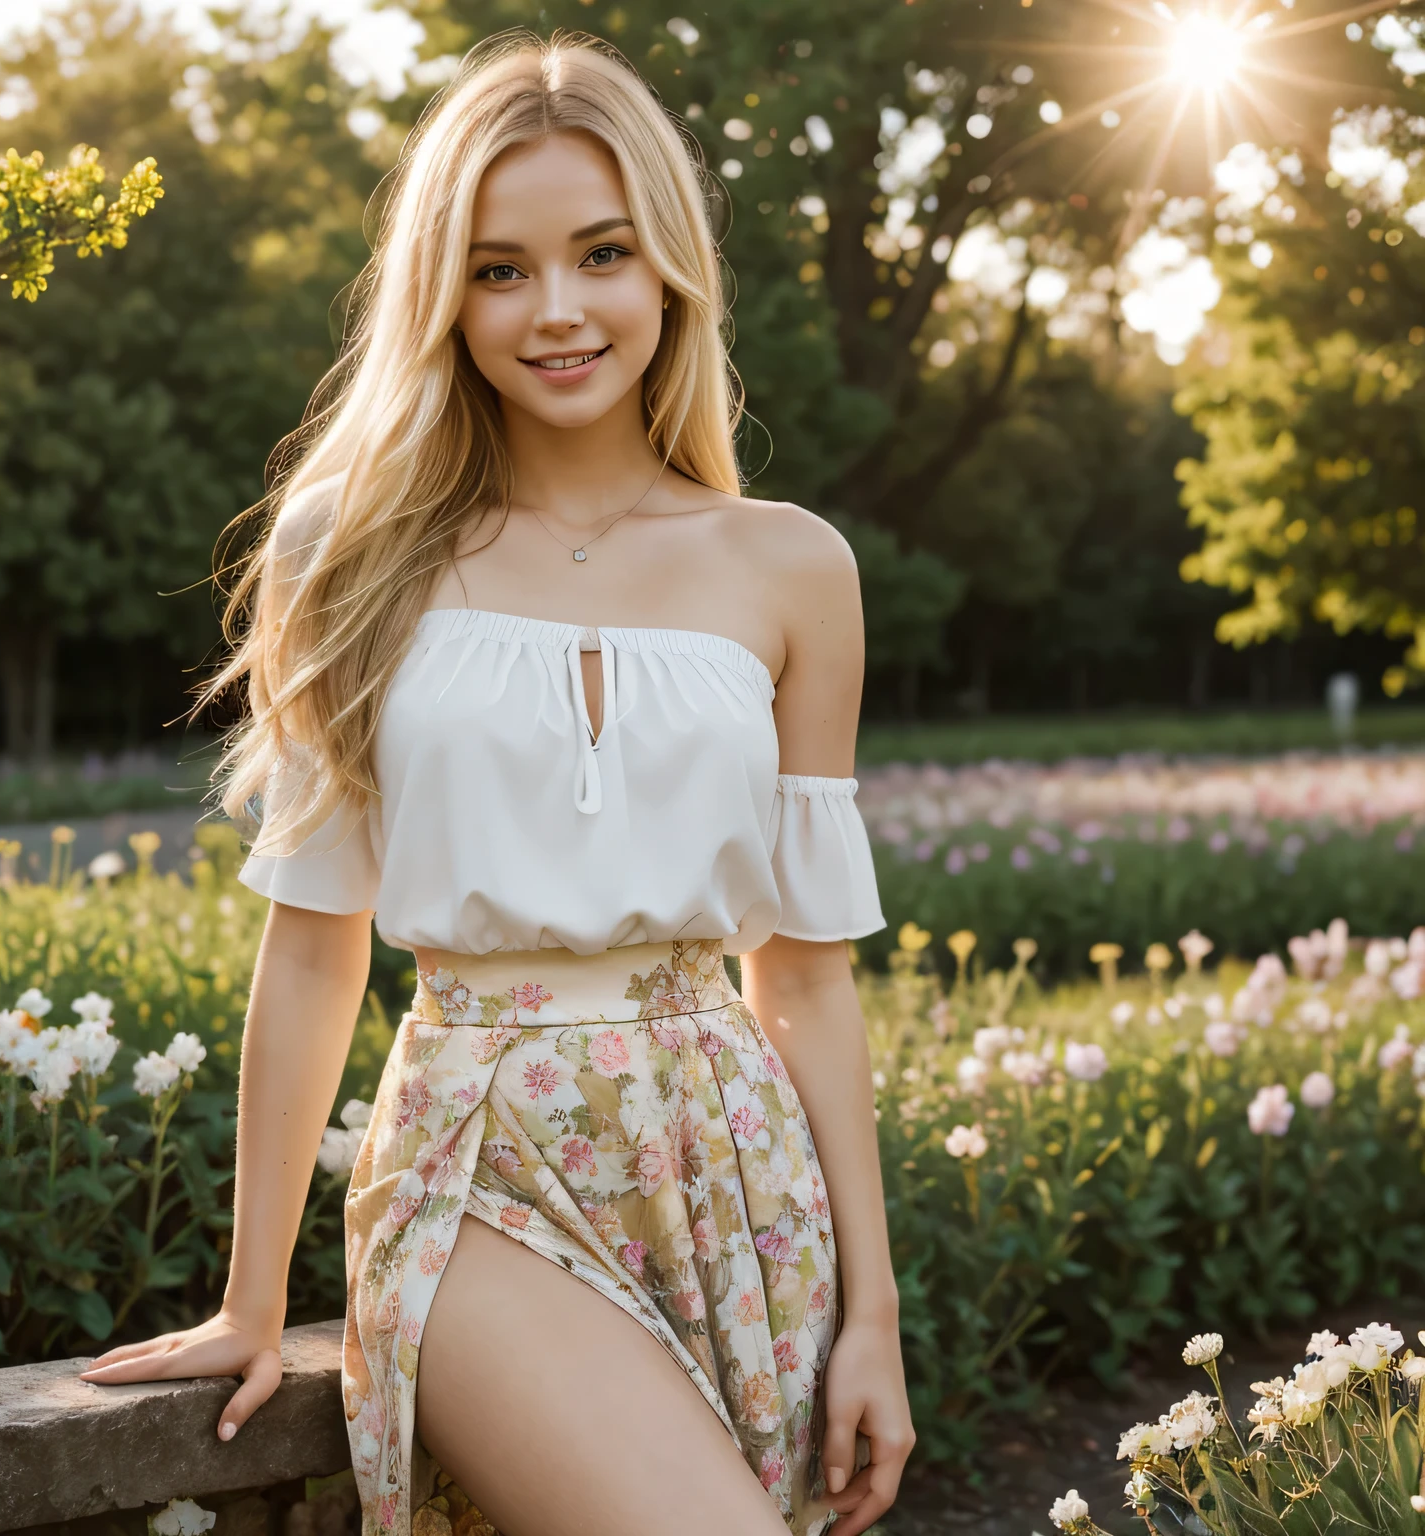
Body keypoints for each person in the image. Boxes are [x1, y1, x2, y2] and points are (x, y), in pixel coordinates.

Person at [80, 30, 915, 1536]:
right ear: (444, 295)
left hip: (736, 1173)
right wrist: (250, 1299)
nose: (560, 311)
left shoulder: (793, 565)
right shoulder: (351, 544)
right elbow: (317, 932)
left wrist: (875, 1318)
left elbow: (805, 976)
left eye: (601, 253)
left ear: (669, 263)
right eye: (499, 268)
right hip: (475, 1160)